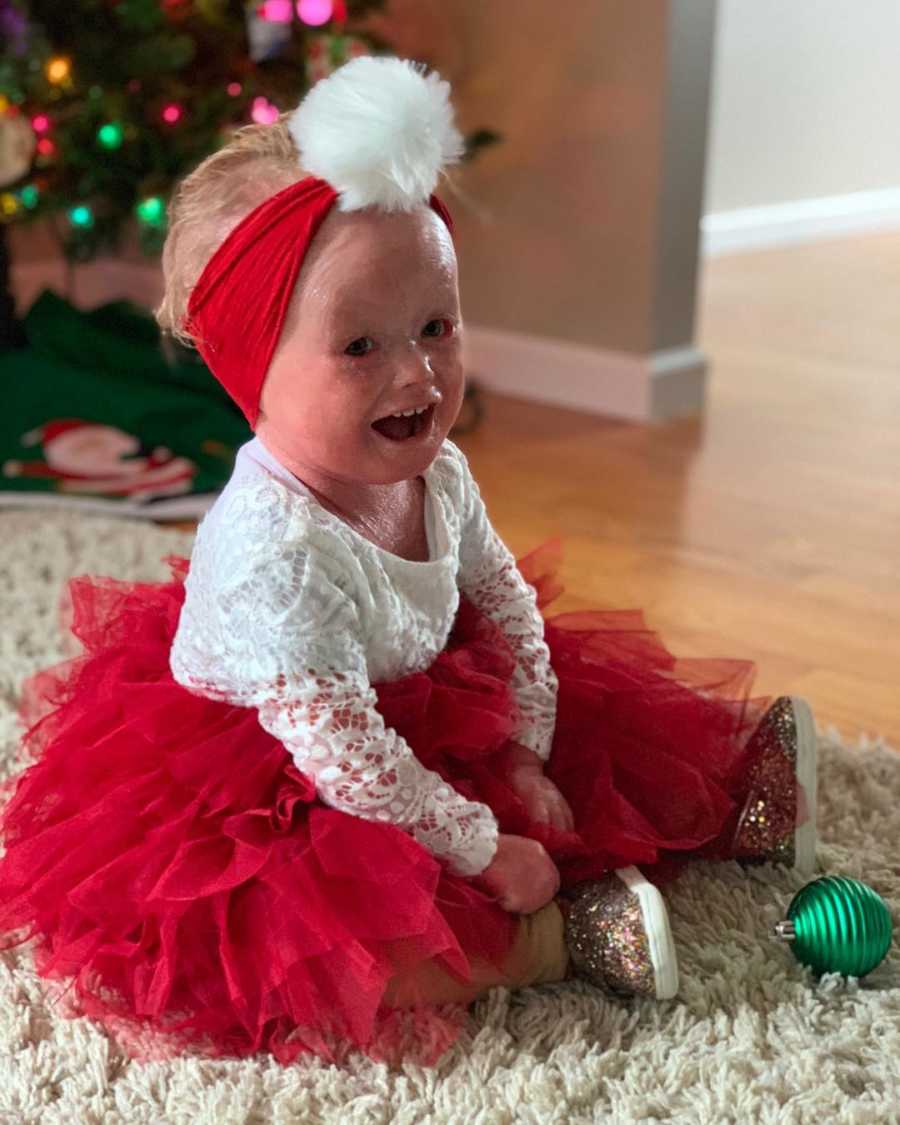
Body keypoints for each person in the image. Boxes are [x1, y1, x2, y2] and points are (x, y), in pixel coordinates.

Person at [0, 57, 817, 1068]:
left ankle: (721, 811)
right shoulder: (273, 551)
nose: (418, 372)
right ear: (251, 367)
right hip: (291, 766)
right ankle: (549, 944)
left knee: (587, 733)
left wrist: (522, 750)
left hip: (412, 696)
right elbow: (353, 764)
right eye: (361, 348)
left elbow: (506, 605)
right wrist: (484, 843)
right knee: (325, 938)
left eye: (437, 325)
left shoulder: (441, 472)